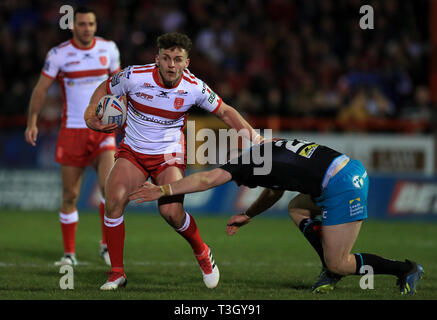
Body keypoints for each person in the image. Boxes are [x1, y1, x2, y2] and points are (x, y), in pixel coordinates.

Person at [83, 32, 263, 290]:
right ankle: (117, 273)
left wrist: (255, 139)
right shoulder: (134, 76)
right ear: (157, 58)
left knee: (171, 213)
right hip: (133, 151)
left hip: (169, 156)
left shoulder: (194, 87)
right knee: (113, 201)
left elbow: (224, 111)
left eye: (177, 59)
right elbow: (105, 87)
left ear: (186, 62)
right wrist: (91, 112)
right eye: (166, 58)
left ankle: (201, 250)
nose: (171, 64)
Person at [129, 138, 424, 295]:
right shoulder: (270, 150)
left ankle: (404, 269)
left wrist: (163, 189)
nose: (239, 179)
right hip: (344, 170)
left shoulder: (244, 164)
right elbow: (275, 191)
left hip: (342, 187)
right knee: (297, 208)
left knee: (340, 261)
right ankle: (330, 270)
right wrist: (248, 214)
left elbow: (205, 181)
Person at [24, 7, 121, 266]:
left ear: (95, 25)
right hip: (72, 132)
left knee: (110, 191)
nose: (86, 28)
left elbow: (119, 87)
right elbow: (41, 89)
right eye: (81, 24)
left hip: (102, 131)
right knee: (70, 195)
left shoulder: (109, 50)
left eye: (90, 23)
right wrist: (32, 121)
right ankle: (69, 254)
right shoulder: (59, 54)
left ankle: (106, 246)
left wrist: (121, 116)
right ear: (73, 26)